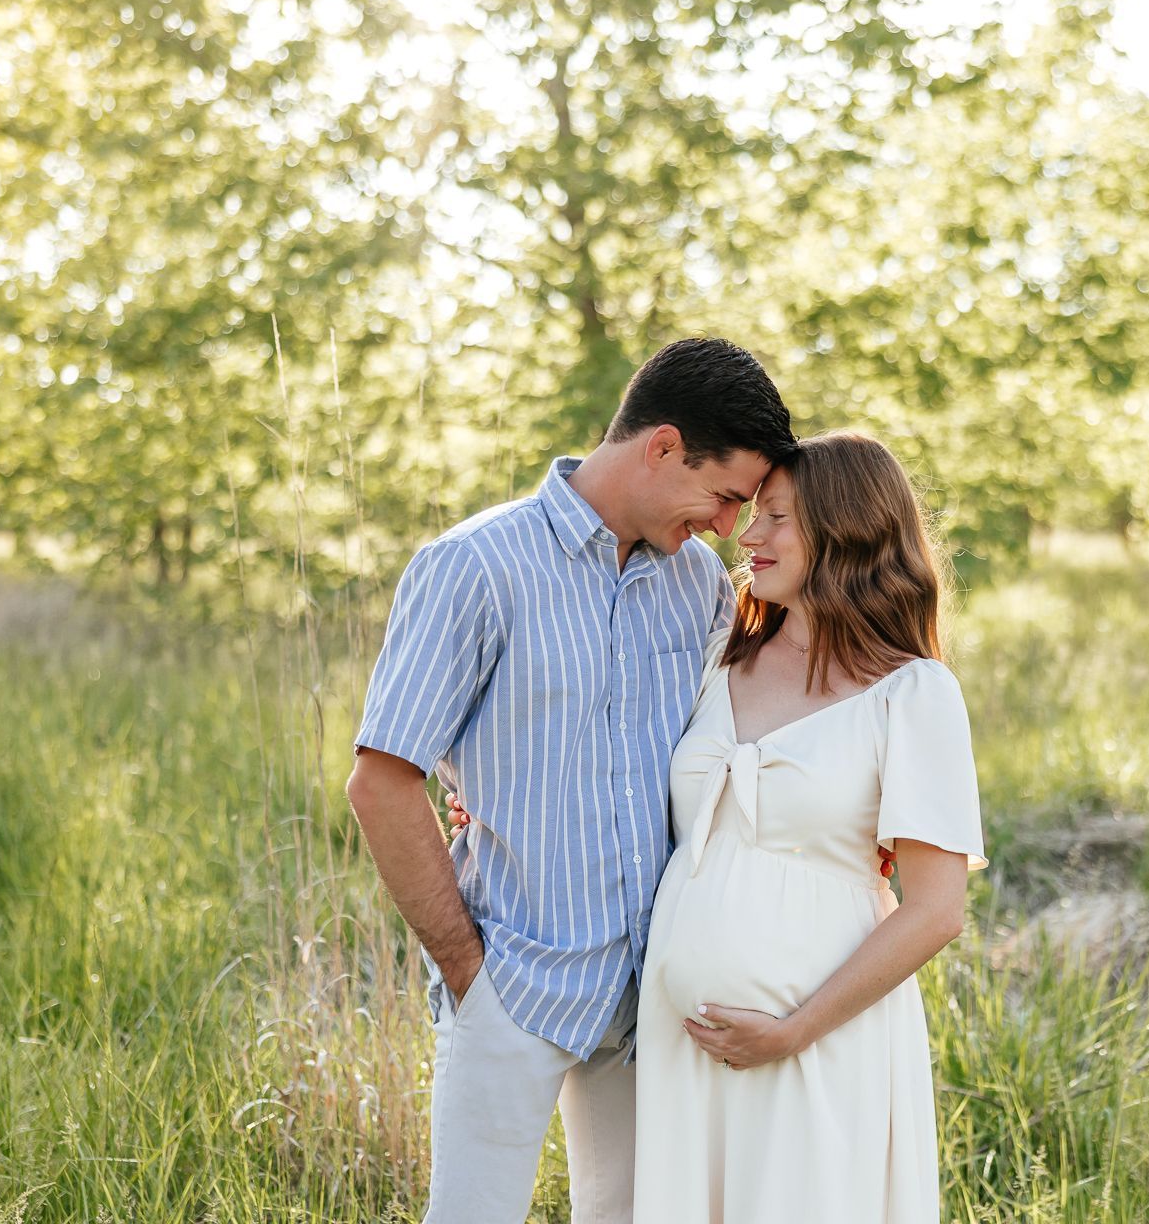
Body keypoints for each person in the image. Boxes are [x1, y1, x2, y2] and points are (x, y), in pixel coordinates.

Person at [343, 337, 796, 1224]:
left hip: (654, 998)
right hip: (516, 979)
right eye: (727, 496)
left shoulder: (697, 581)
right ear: (663, 447)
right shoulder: (475, 565)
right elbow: (381, 779)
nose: (728, 525)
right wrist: (468, 969)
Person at [632, 430, 987, 1223]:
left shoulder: (913, 694)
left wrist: (794, 1031)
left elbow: (936, 910)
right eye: (753, 514)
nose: (748, 536)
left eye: (778, 518)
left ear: (848, 530)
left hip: (820, 1044)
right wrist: (483, 797)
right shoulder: (719, 652)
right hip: (678, 1041)